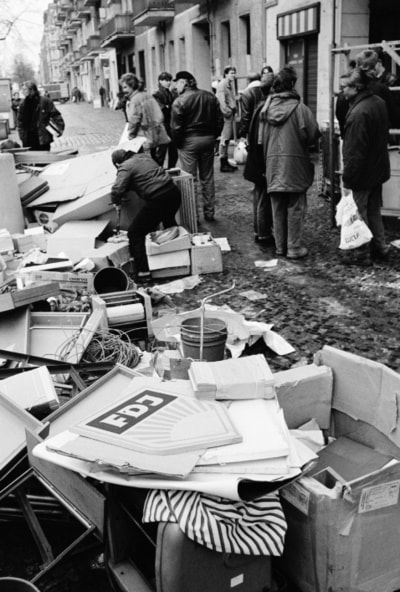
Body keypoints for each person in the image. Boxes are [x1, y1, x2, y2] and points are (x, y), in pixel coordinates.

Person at [259, 65, 320, 259]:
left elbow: (260, 140)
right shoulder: (301, 109)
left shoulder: (266, 110)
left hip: (273, 165)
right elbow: (312, 135)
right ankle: (293, 247)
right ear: (292, 84)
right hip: (295, 165)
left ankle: (280, 247)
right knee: (295, 206)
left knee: (277, 207)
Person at [341, 68, 391, 264]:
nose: (342, 92)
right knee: (373, 210)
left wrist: (348, 178)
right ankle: (381, 248)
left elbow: (355, 152)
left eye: (344, 87)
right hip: (377, 168)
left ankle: (362, 254)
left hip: (363, 173)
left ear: (356, 88)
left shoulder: (359, 113)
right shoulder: (378, 103)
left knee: (358, 214)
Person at [110, 143, 181, 281]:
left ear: (118, 163)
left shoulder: (125, 166)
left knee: (135, 233)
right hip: (173, 193)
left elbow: (117, 189)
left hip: (158, 199)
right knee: (169, 224)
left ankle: (143, 273)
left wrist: (116, 201)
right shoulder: (144, 157)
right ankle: (175, 263)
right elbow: (143, 176)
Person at [170, 70, 219, 222]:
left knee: (190, 179)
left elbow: (175, 128)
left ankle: (194, 216)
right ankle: (209, 212)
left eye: (177, 83)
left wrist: (179, 144)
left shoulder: (180, 101)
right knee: (207, 177)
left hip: (189, 141)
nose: (175, 86)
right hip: (207, 139)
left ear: (183, 83)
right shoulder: (210, 96)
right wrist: (214, 136)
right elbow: (219, 119)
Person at [241, 66, 275, 246]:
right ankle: (263, 233)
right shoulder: (265, 109)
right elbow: (261, 139)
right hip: (260, 159)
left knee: (259, 196)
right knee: (263, 197)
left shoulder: (260, 107)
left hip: (255, 158)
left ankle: (259, 230)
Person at [119, 72, 170, 166]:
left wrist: (130, 136)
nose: (123, 90)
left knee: (146, 165)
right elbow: (159, 115)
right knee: (158, 164)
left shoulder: (135, 100)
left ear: (132, 86)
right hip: (158, 134)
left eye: (125, 87)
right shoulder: (147, 95)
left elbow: (134, 120)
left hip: (145, 138)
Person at [17, 80, 65, 151]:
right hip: (28, 139)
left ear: (31, 90)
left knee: (44, 159)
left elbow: (55, 115)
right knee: (31, 159)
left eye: (24, 89)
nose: (22, 91)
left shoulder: (45, 101)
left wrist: (60, 128)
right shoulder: (22, 104)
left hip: (43, 138)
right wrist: (22, 136)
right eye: (22, 89)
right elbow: (20, 122)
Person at [153, 71, 178, 169]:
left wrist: (169, 107)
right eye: (166, 80)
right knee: (161, 152)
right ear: (160, 81)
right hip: (162, 126)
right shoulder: (156, 94)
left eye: (170, 80)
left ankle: (171, 170)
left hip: (171, 125)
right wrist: (168, 107)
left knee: (173, 152)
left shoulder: (170, 93)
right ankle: (159, 173)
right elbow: (161, 109)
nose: (169, 82)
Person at [216, 65, 237, 172]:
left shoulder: (229, 84)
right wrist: (228, 112)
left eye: (234, 73)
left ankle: (225, 162)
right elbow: (221, 101)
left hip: (229, 115)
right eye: (231, 73)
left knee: (227, 139)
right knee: (224, 139)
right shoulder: (223, 84)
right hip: (226, 116)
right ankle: (223, 164)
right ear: (226, 74)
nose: (233, 75)